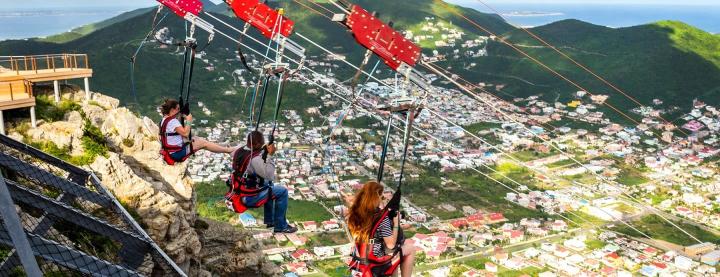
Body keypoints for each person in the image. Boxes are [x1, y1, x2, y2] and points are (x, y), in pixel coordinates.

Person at [347, 181, 415, 277]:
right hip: (376, 261)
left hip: (359, 259)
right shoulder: (381, 218)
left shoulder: (353, 215)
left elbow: (370, 232)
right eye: (381, 197)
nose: (382, 200)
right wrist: (396, 223)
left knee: (393, 251)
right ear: (376, 197)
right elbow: (391, 244)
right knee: (410, 248)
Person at [238, 130, 297, 233]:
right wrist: (270, 155)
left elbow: (255, 167)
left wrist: (263, 152)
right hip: (249, 197)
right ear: (257, 144)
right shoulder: (254, 159)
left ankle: (270, 221)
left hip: (240, 191)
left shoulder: (239, 151)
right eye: (261, 144)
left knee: (269, 184)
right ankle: (280, 226)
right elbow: (270, 175)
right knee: (282, 191)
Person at [159, 99, 237, 162]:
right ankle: (229, 150)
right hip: (177, 154)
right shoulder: (173, 121)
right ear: (172, 110)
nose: (179, 111)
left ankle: (220, 146)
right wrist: (189, 119)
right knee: (203, 143)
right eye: (178, 109)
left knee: (197, 138)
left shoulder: (164, 120)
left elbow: (174, 131)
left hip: (171, 151)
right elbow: (186, 133)